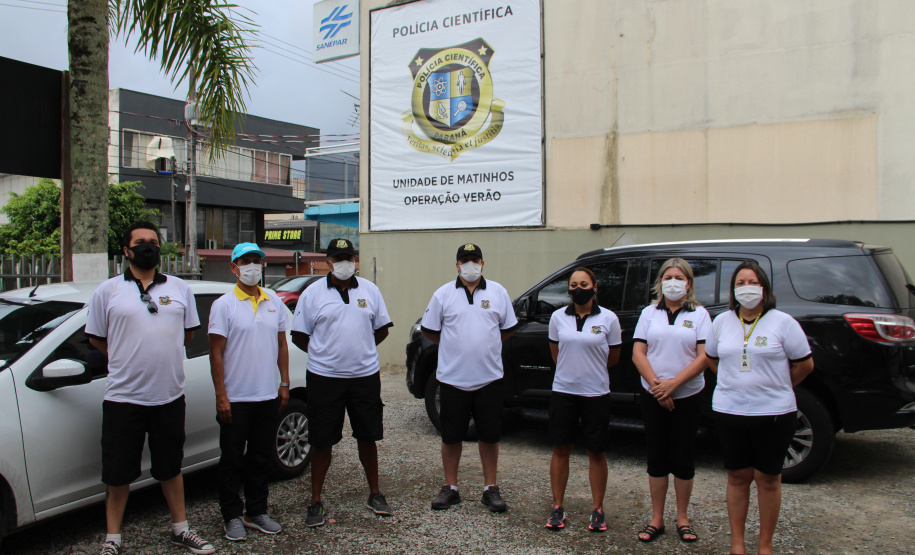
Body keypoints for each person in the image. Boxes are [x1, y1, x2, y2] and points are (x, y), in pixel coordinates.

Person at [85, 221, 214, 555]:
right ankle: (112, 538)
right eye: (140, 242)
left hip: (169, 395)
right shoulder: (108, 291)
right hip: (123, 398)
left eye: (154, 242)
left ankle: (180, 529)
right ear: (126, 250)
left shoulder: (180, 288)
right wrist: (127, 354)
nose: (148, 247)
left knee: (171, 466)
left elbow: (187, 335)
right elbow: (97, 337)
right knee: (118, 472)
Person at [705, 260, 814, 555]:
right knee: (738, 477)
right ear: (732, 290)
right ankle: (737, 543)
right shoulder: (722, 322)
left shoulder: (783, 323)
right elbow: (712, 358)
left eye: (752, 282)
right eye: (740, 283)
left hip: (775, 414)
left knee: (768, 479)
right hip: (730, 412)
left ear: (764, 288)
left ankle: (765, 544)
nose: (746, 288)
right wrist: (730, 381)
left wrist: (780, 386)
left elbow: (805, 364)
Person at [290, 238, 394, 527]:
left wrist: (363, 349)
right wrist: (325, 355)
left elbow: (382, 329)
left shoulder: (370, 291)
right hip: (325, 378)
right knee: (322, 440)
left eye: (348, 257)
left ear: (355, 260)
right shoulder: (312, 294)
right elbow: (299, 335)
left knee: (367, 435)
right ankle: (315, 500)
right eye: (338, 258)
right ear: (328, 262)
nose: (344, 263)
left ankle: (375, 493)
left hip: (364, 377)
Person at [421, 243, 518, 512]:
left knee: (489, 436)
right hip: (453, 379)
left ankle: (490, 488)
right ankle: (450, 488)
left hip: (488, 379)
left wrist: (486, 342)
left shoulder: (498, 292)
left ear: (483, 263)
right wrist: (454, 344)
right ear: (457, 265)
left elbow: (508, 328)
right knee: (451, 436)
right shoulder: (443, 295)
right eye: (465, 260)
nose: (470, 264)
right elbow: (430, 330)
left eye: (475, 259)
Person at [208, 243, 290, 541]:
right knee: (231, 460)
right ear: (234, 267)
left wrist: (284, 382)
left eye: (257, 261)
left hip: (267, 395)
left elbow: (282, 344)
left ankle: (256, 510)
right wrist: (221, 395)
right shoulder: (224, 305)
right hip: (236, 398)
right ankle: (231, 515)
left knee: (260, 458)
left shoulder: (274, 301)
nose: (253, 266)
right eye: (246, 261)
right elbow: (215, 353)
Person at [631, 258, 712, 543]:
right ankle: (656, 518)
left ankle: (682, 517)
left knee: (683, 456)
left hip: (688, 395)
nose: (673, 281)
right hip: (653, 394)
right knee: (657, 455)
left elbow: (704, 356)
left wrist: (674, 385)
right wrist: (657, 387)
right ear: (660, 282)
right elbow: (638, 352)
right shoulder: (649, 313)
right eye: (668, 276)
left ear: (688, 283)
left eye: (680, 277)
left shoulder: (700, 315)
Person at [544, 267, 621, 532]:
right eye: (574, 284)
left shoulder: (609, 318)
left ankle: (597, 509)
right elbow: (556, 354)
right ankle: (557, 507)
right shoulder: (557, 317)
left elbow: (613, 358)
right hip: (564, 391)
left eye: (584, 283)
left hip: (596, 392)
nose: (579, 289)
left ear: (595, 287)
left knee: (596, 451)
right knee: (561, 448)